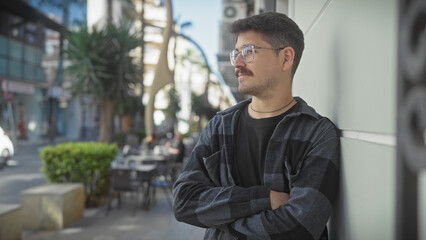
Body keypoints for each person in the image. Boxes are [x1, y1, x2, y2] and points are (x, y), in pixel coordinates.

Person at [172, 12, 340, 240]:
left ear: (286, 58)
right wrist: (264, 198)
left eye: (249, 52)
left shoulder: (317, 133)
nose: (238, 63)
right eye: (236, 54)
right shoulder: (219, 127)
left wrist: (222, 224)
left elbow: (299, 227)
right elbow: (183, 202)